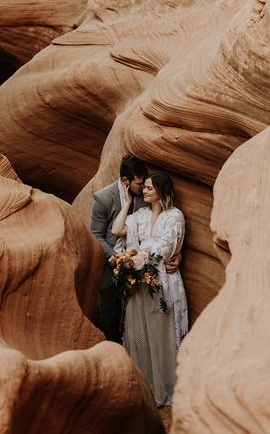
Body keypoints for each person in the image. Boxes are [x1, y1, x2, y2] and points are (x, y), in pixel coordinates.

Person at [111, 171, 188, 406]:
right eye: (143, 187)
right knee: (139, 333)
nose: (144, 191)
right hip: (139, 284)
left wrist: (140, 256)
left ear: (161, 191)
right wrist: (126, 204)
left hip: (162, 282)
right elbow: (116, 230)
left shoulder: (175, 216)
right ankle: (144, 387)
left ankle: (166, 387)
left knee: (161, 332)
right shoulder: (140, 214)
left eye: (149, 188)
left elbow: (166, 246)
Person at [90, 155, 148, 342]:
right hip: (112, 260)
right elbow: (96, 235)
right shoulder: (104, 198)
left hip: (141, 258)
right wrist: (117, 259)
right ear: (125, 181)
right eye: (139, 183)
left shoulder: (145, 195)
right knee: (110, 312)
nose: (143, 187)